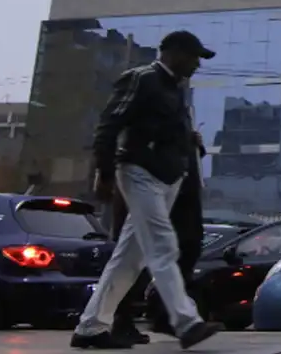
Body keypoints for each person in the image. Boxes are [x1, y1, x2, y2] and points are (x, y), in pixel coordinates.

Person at [70, 31, 221, 350]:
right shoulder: (141, 79)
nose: (197, 65)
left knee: (129, 258)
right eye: (194, 57)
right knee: (163, 245)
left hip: (167, 179)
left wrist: (189, 147)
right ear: (174, 52)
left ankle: (91, 326)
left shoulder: (175, 89)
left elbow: (168, 133)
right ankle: (187, 322)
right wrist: (104, 173)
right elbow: (109, 125)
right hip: (140, 173)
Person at [109, 127, 207, 343]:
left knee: (180, 251)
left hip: (179, 191)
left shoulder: (177, 120)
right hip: (157, 188)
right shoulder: (151, 118)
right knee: (143, 257)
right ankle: (174, 319)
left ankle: (98, 323)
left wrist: (193, 146)